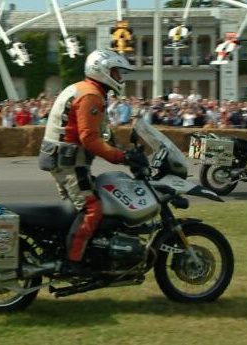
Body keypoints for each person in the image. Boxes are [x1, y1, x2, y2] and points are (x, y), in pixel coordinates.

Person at [38, 49, 147, 275]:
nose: (120, 78)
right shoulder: (90, 96)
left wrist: (125, 150)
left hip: (65, 159)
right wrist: (122, 157)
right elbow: (90, 139)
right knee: (92, 208)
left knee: (80, 208)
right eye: (116, 72)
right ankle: (73, 262)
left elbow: (103, 133)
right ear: (102, 71)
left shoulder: (88, 90)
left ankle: (83, 251)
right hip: (69, 163)